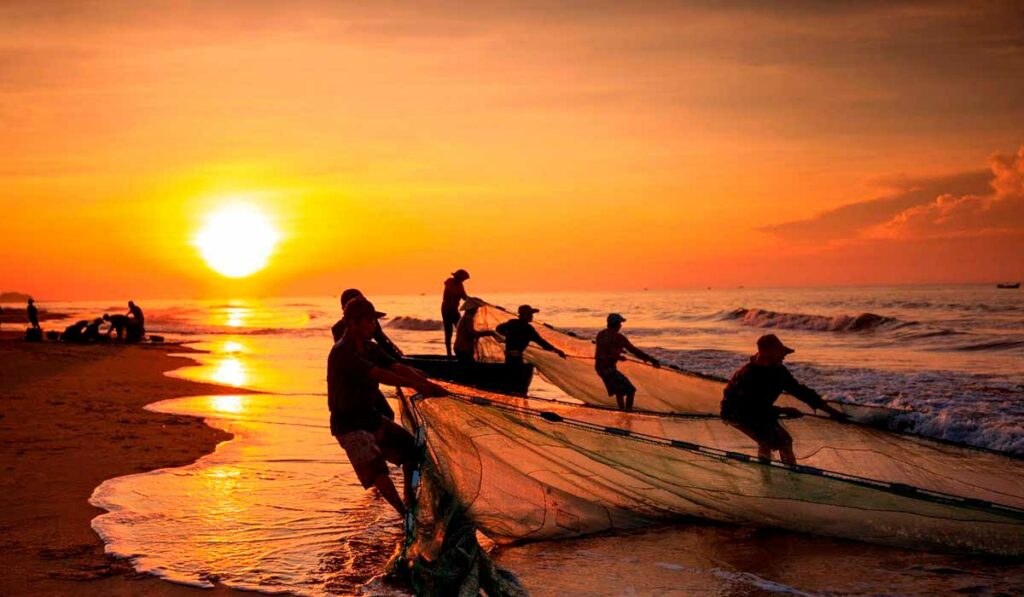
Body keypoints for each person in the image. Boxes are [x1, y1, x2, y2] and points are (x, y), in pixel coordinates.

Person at [328, 297, 448, 518]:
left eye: (374, 321)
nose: (374, 326)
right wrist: (416, 384)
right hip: (349, 425)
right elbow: (379, 374)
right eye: (369, 321)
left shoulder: (370, 348)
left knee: (413, 451)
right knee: (377, 470)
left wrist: (426, 382)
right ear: (352, 323)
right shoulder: (342, 352)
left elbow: (394, 366)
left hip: (370, 418)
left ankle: (409, 499)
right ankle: (404, 514)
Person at [720, 334, 849, 464]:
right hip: (736, 413)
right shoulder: (747, 375)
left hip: (761, 412)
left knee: (775, 440)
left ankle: (775, 471)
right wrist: (784, 410)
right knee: (780, 441)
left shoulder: (778, 371)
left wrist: (833, 412)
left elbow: (799, 391)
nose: (783, 356)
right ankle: (783, 474)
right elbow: (749, 407)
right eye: (781, 354)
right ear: (769, 356)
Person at [594, 313, 661, 411]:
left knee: (620, 391)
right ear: (616, 324)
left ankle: (623, 411)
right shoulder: (619, 338)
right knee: (630, 390)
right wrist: (651, 359)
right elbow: (634, 350)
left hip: (600, 368)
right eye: (620, 323)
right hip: (608, 369)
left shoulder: (601, 334)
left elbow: (603, 351)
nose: (621, 326)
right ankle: (627, 412)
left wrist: (617, 354)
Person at [330, 288, 403, 359]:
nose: (372, 325)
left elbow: (382, 341)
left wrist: (396, 358)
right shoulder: (339, 331)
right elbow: (347, 356)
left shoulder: (370, 323)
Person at [494, 305, 566, 366]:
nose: (532, 316)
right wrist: (557, 351)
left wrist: (508, 335)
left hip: (509, 357)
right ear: (524, 315)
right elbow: (542, 342)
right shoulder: (528, 329)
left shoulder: (512, 322)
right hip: (516, 358)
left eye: (531, 314)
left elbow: (499, 328)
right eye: (529, 314)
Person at [452, 297, 496, 365]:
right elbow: (471, 333)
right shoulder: (468, 318)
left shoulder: (465, 317)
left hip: (460, 348)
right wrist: (487, 333)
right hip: (463, 349)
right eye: (476, 308)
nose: (477, 311)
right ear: (471, 309)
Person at [441, 269, 470, 357]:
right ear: (458, 277)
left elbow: (465, 297)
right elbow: (454, 291)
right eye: (462, 279)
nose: (463, 281)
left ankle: (462, 350)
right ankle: (449, 353)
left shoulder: (460, 285)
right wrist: (462, 294)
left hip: (454, 310)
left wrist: (475, 301)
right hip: (446, 310)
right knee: (448, 331)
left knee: (462, 328)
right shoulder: (450, 281)